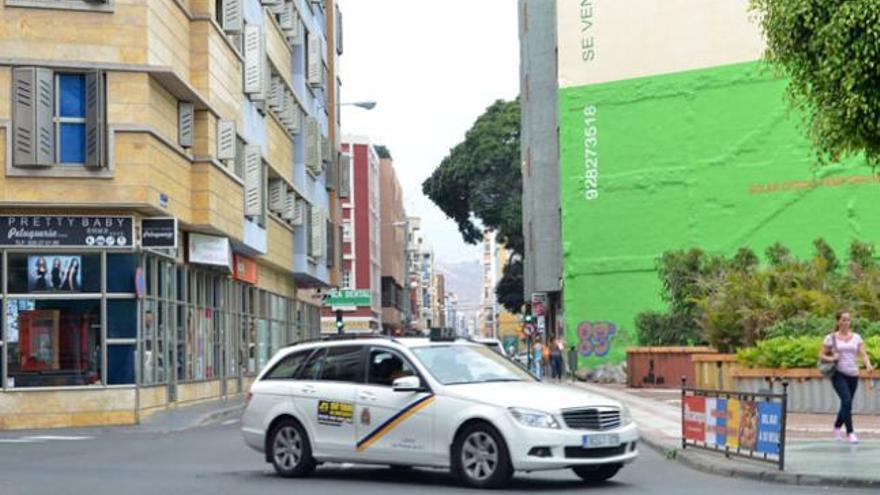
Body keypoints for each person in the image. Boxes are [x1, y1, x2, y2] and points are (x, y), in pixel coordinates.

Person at [818, 310, 874, 443]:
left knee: (846, 403)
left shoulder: (856, 337)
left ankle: (837, 426)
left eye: (848, 320)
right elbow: (821, 355)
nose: (846, 322)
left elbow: (863, 354)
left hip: (853, 374)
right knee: (847, 400)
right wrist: (832, 358)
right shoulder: (830, 338)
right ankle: (850, 433)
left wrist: (868, 365)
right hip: (838, 373)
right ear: (838, 321)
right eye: (843, 319)